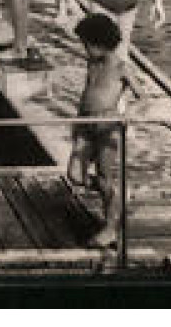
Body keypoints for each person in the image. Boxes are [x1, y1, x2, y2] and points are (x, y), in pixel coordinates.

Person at [68, 13, 128, 248]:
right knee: (75, 174)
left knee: (105, 176)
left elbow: (143, 98)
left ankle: (111, 227)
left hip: (107, 129)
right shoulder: (92, 64)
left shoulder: (122, 68)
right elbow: (87, 92)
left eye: (87, 45)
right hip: (86, 124)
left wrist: (122, 116)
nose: (84, 49)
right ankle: (113, 195)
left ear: (101, 43)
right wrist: (77, 121)